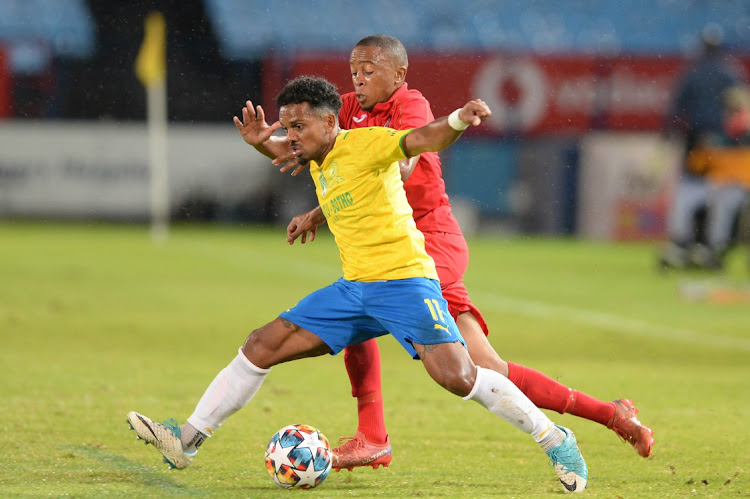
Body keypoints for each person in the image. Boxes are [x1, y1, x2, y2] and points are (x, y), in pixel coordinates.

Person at [128, 75, 589, 493]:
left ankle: (555, 438)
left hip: (407, 282)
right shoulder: (316, 154)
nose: (291, 137)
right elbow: (288, 153)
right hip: (355, 291)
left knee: (459, 377)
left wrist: (458, 119)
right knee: (261, 343)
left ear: (331, 122)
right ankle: (185, 441)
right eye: (286, 127)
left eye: (299, 127)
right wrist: (258, 143)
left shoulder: (367, 145)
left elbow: (421, 138)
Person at [239, 34, 654, 470]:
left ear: (398, 74)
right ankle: (612, 414)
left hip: (429, 238)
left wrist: (355, 177)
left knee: (361, 305)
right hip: (393, 241)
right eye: (354, 71)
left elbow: (399, 164)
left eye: (369, 71)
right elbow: (317, 157)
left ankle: (372, 437)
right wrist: (273, 156)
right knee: (487, 366)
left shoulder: (410, 105)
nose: (358, 79)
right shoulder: (344, 108)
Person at [659, 24, 747, 270]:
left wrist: (669, 133)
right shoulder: (731, 73)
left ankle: (683, 244)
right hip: (725, 148)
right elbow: (741, 112)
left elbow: (677, 110)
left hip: (700, 144)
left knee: (689, 195)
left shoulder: (693, 72)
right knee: (722, 199)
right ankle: (709, 248)